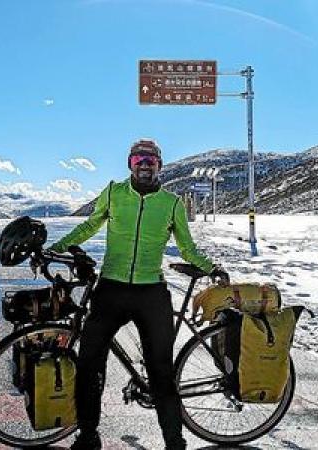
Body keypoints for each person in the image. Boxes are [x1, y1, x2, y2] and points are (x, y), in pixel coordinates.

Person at [48, 139, 227, 449]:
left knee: (161, 372)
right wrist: (57, 248)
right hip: (110, 290)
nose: (144, 165)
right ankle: (88, 436)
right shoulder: (115, 193)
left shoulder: (171, 203)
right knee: (89, 365)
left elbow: (186, 246)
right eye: (138, 160)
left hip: (150, 293)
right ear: (129, 164)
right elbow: (90, 225)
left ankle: (174, 442)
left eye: (151, 160)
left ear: (159, 165)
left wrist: (210, 267)